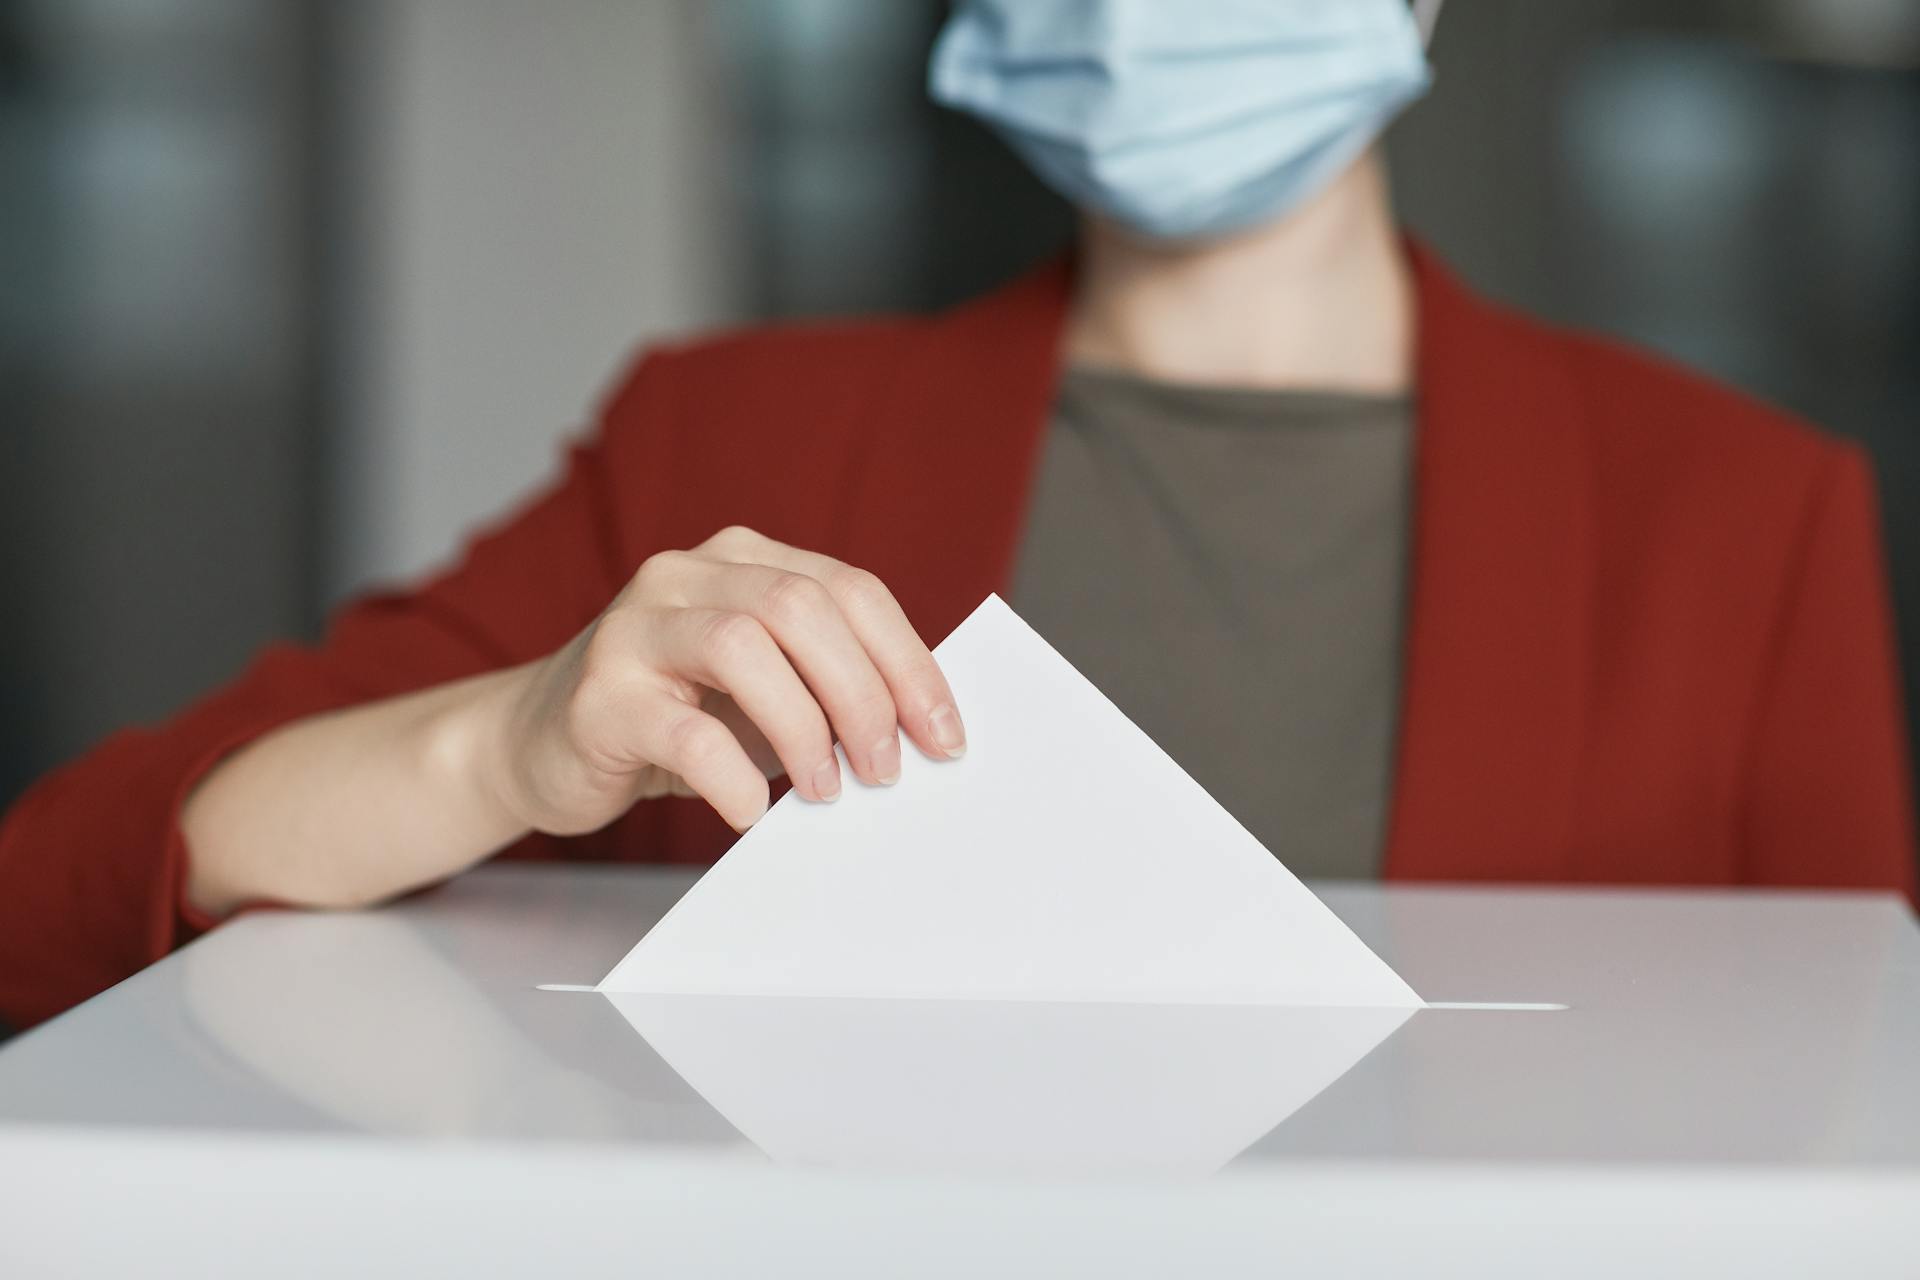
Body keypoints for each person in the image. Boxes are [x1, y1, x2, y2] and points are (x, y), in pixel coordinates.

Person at [1, 0, 1912, 1031]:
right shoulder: (727, 438)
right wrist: (511, 735)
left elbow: (1857, 1158)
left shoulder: (1746, 517)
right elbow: (67, 896)